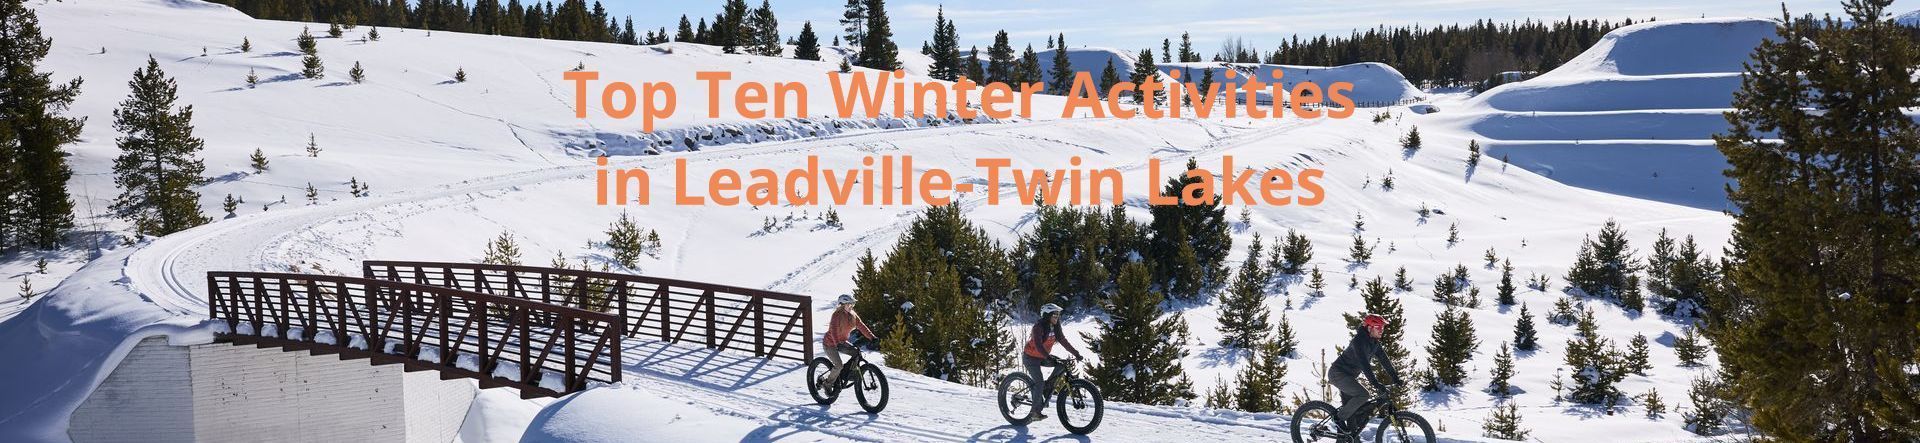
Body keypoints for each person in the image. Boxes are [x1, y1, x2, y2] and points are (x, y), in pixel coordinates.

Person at [1330, 313, 1402, 429]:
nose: (1381, 330)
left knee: (1353, 419)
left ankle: (1345, 437)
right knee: (1363, 394)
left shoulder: (1374, 342)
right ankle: (1337, 418)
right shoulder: (1358, 341)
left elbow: (1384, 360)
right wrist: (1375, 383)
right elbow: (1364, 364)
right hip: (1338, 374)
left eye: (1382, 328)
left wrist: (1395, 377)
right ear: (1369, 328)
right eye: (1378, 327)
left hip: (1348, 378)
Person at [1021, 303, 1082, 420]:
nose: (1057, 317)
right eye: (1054, 314)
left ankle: (1048, 386)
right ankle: (1035, 412)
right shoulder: (1038, 327)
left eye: (1058, 314)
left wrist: (1076, 353)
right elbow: (1038, 345)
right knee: (1038, 382)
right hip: (1030, 358)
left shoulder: (1055, 327)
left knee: (1061, 365)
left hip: (1043, 356)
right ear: (1047, 315)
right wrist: (1047, 357)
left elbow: (1064, 341)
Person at [822, 294, 876, 386]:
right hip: (830, 344)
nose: (851, 306)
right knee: (838, 366)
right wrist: (836, 343)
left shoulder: (853, 315)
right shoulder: (836, 315)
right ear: (842, 305)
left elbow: (861, 326)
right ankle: (827, 384)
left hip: (842, 342)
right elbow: (833, 330)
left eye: (852, 304)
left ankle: (847, 373)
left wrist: (872, 337)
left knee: (857, 354)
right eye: (849, 304)